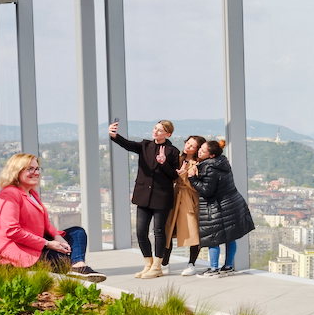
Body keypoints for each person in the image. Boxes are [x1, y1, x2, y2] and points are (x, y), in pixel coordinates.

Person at [0, 153, 106, 282]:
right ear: (16, 171)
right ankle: (74, 266)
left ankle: (78, 267)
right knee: (65, 258)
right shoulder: (9, 194)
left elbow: (46, 224)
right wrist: (48, 244)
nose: (36, 172)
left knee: (77, 233)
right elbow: (12, 230)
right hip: (17, 253)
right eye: (30, 169)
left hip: (36, 245)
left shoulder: (31, 193)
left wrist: (58, 238)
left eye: (37, 168)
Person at [109, 119, 180, 278]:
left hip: (162, 196)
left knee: (159, 231)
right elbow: (128, 144)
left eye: (160, 130)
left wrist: (163, 164)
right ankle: (148, 264)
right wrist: (114, 135)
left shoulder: (172, 151)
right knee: (141, 232)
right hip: (143, 195)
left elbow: (174, 176)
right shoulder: (145, 145)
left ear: (168, 134)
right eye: (155, 128)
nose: (156, 131)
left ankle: (157, 267)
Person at [187, 139, 255, 278]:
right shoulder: (222, 163)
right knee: (230, 237)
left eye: (203, 151)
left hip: (217, 207)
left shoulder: (209, 168)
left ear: (211, 155)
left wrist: (192, 178)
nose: (199, 151)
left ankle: (213, 269)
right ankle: (228, 267)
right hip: (232, 204)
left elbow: (207, 191)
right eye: (200, 148)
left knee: (213, 239)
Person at [161, 135, 206, 276]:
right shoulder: (178, 159)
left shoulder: (199, 164)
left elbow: (197, 186)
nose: (188, 147)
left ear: (198, 149)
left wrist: (184, 175)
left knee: (193, 232)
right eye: (187, 143)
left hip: (189, 199)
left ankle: (191, 263)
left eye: (192, 146)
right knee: (168, 231)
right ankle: (164, 262)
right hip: (175, 196)